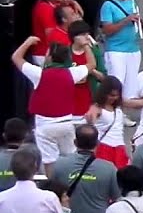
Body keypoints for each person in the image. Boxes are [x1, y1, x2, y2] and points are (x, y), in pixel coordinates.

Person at [12, 37, 93, 175]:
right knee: (71, 160)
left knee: (50, 163)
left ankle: (54, 190)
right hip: (67, 124)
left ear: (50, 57)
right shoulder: (71, 73)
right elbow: (92, 63)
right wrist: (85, 45)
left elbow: (16, 58)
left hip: (45, 127)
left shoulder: (38, 74)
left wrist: (28, 42)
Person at [50, 125, 120, 213]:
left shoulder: (59, 164)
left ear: (75, 142)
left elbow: (51, 196)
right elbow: (118, 199)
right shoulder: (109, 168)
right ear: (97, 143)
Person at [99, 0, 143, 109]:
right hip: (116, 50)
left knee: (131, 85)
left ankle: (123, 111)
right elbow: (107, 29)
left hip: (133, 49)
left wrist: (139, 23)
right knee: (116, 84)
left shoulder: (132, 3)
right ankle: (113, 110)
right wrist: (126, 20)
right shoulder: (108, 6)